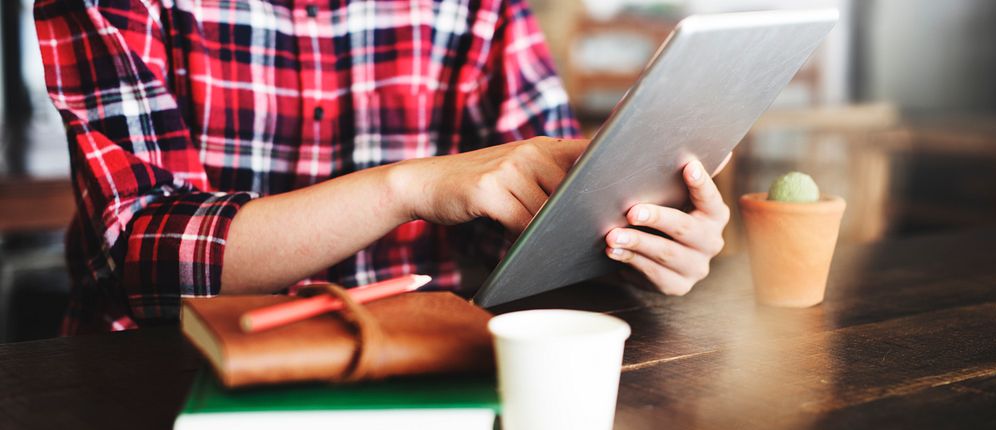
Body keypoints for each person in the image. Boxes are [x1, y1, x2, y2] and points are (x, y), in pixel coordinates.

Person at [36, 0, 730, 336]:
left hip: (428, 364)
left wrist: (640, 236)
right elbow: (144, 257)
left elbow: (536, 212)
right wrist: (412, 186)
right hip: (167, 375)